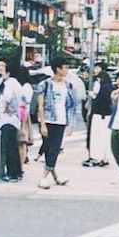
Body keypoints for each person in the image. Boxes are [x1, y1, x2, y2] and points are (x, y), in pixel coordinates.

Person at [36, 57, 76, 189]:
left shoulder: (68, 85)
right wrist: (42, 124)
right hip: (48, 120)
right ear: (58, 69)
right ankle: (50, 177)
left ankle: (46, 177)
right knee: (48, 149)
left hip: (61, 121)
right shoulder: (45, 84)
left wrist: (71, 124)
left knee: (54, 149)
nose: (67, 70)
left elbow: (71, 106)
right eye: (65, 67)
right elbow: (40, 105)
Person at [0, 58, 23, 183]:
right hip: (12, 118)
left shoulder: (10, 82)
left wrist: (4, 108)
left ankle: (13, 173)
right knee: (12, 147)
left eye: (3, 66)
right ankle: (17, 172)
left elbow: (8, 97)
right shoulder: (12, 82)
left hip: (8, 119)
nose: (1, 68)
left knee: (9, 147)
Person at [84, 70, 113, 167]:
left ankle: (96, 158)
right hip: (107, 115)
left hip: (99, 115)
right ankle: (105, 158)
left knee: (96, 138)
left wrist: (93, 95)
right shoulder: (111, 87)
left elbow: (99, 101)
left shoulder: (103, 88)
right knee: (106, 138)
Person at [16, 66, 34, 168]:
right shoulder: (20, 85)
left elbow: (25, 100)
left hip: (22, 115)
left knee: (22, 141)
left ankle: (21, 164)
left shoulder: (26, 86)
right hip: (19, 114)